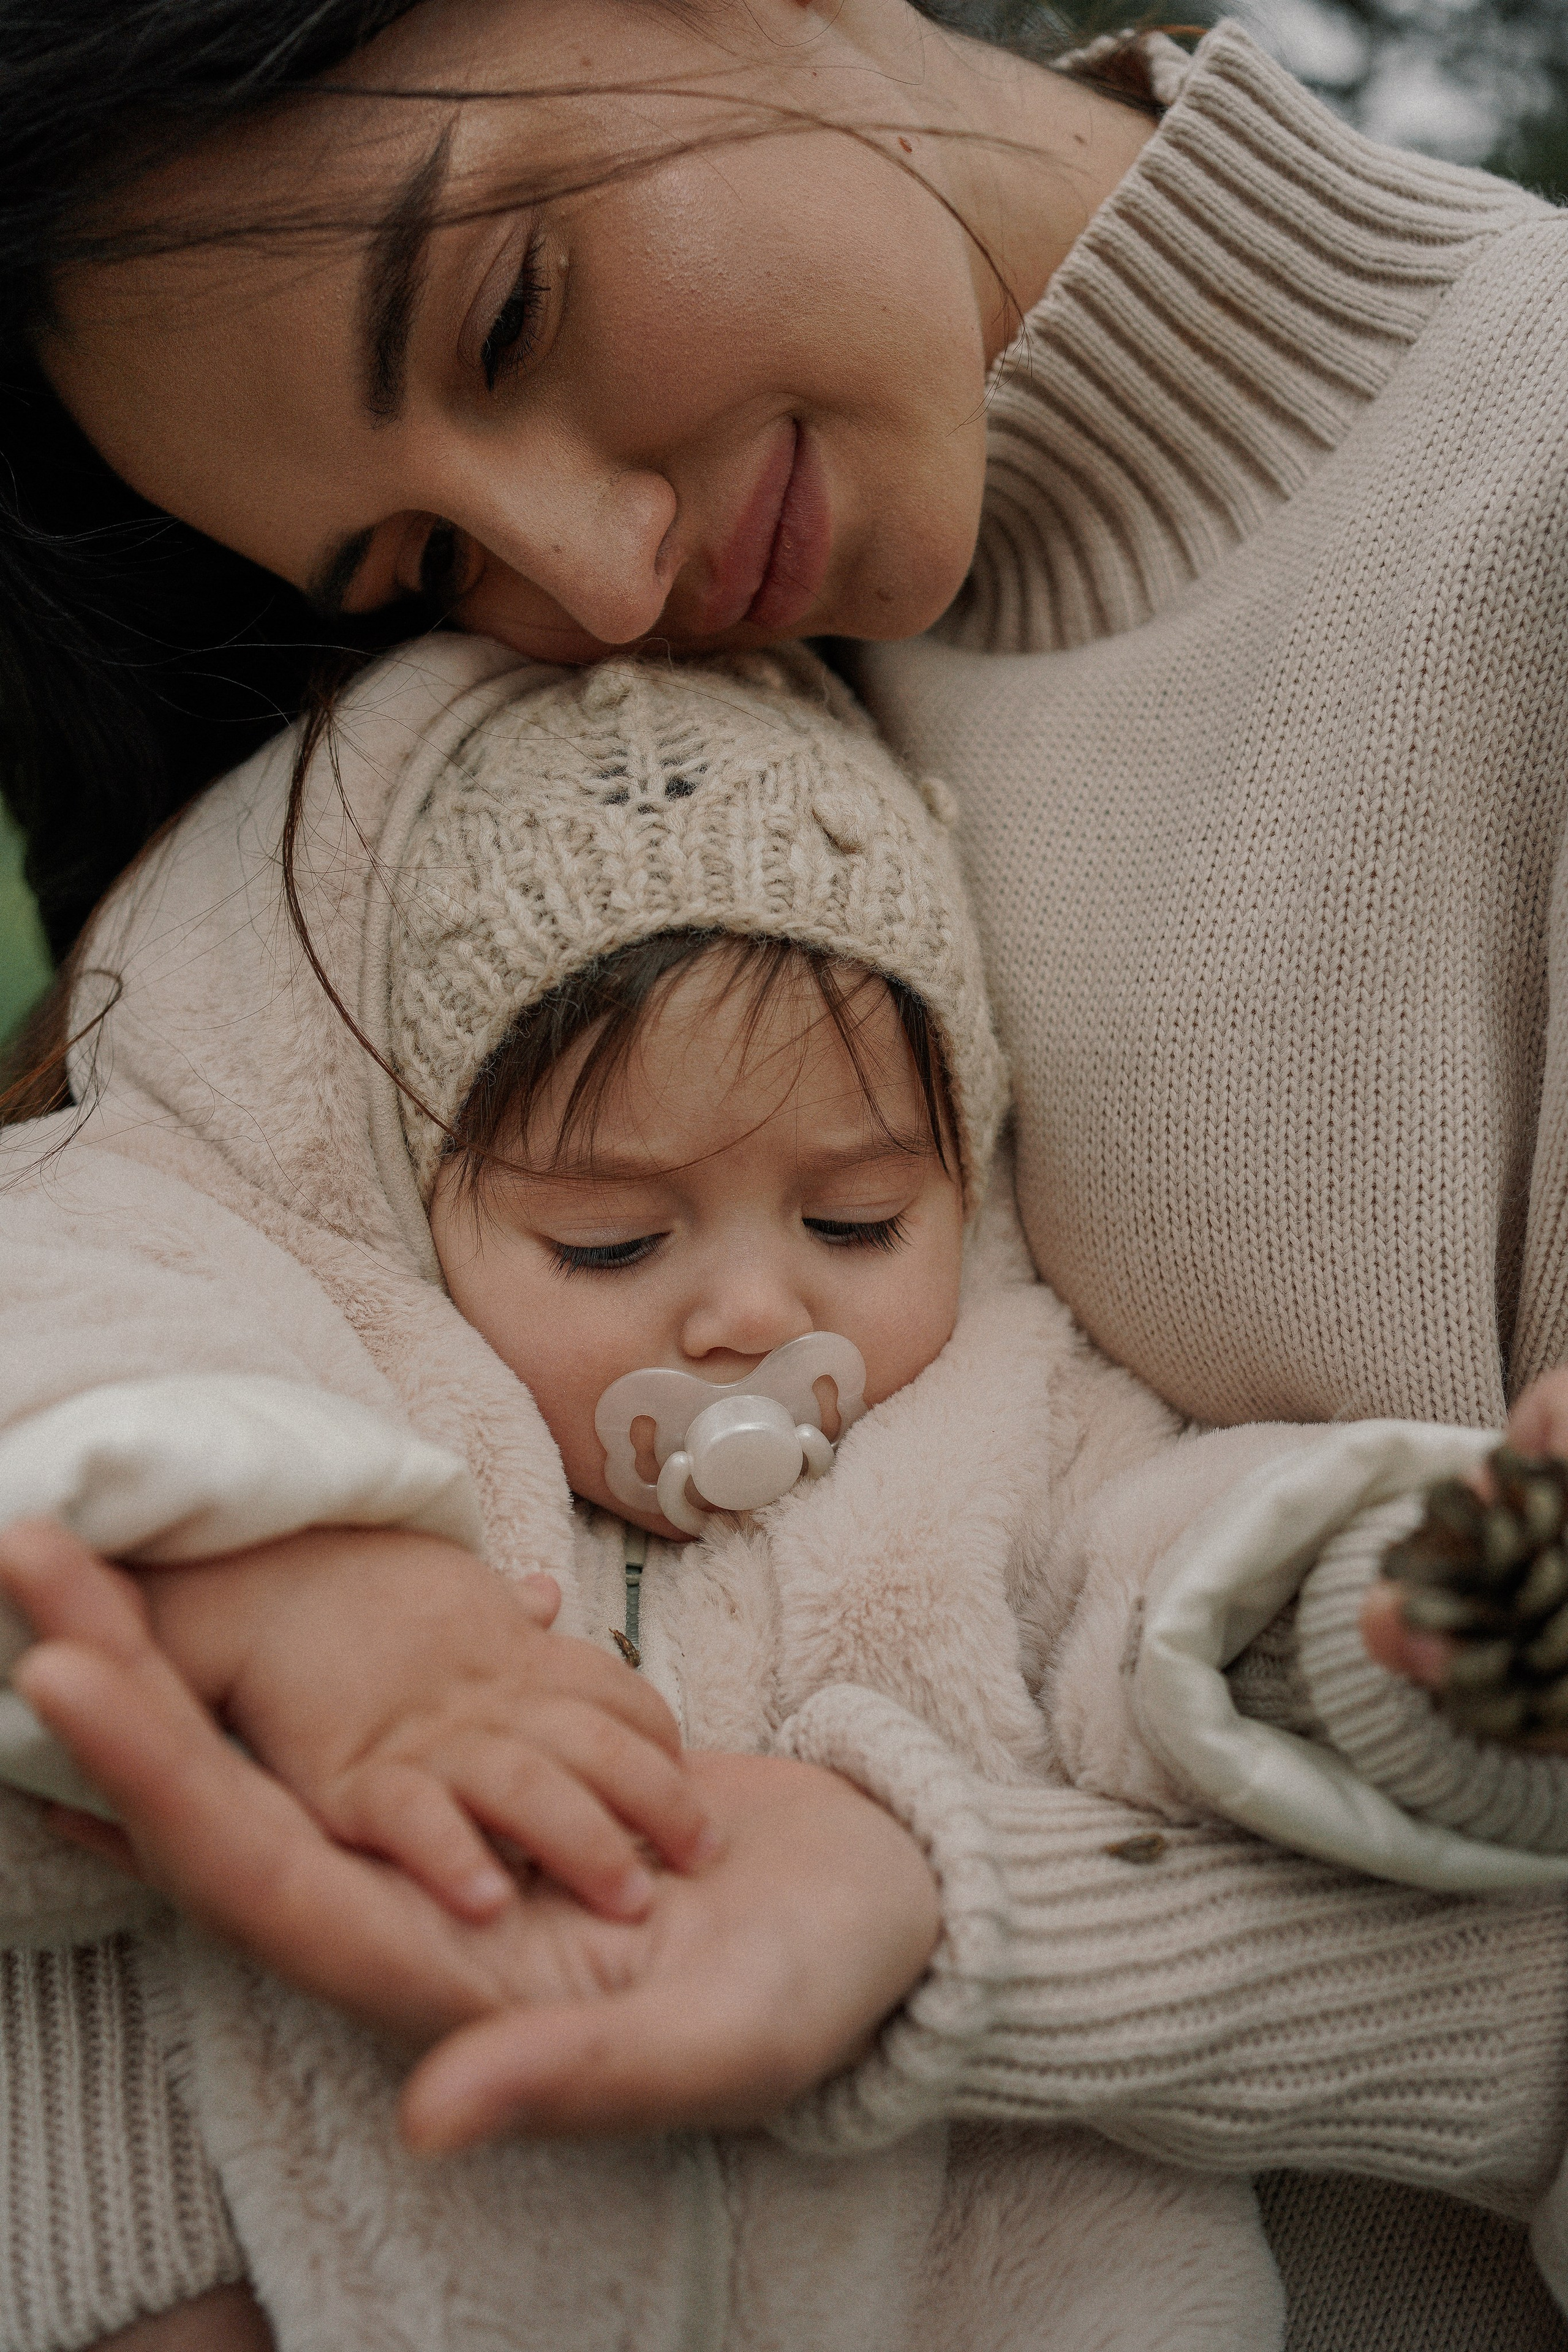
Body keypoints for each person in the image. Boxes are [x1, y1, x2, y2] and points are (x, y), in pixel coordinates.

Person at [3, 3, 1568, 2348]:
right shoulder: (457, 781)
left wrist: (967, 1933)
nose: (592, 580)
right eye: (418, 548)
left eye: (512, 310)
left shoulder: (1516, 514)